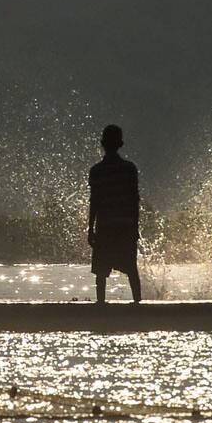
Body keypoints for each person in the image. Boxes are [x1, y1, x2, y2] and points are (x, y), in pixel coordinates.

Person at [88, 124, 142, 303]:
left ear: (102, 143)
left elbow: (94, 202)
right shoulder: (129, 169)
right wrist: (135, 227)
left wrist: (90, 230)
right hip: (125, 225)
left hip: (104, 227)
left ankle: (101, 306)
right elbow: (135, 201)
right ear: (121, 144)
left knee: (101, 273)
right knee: (131, 270)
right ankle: (138, 305)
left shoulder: (96, 171)